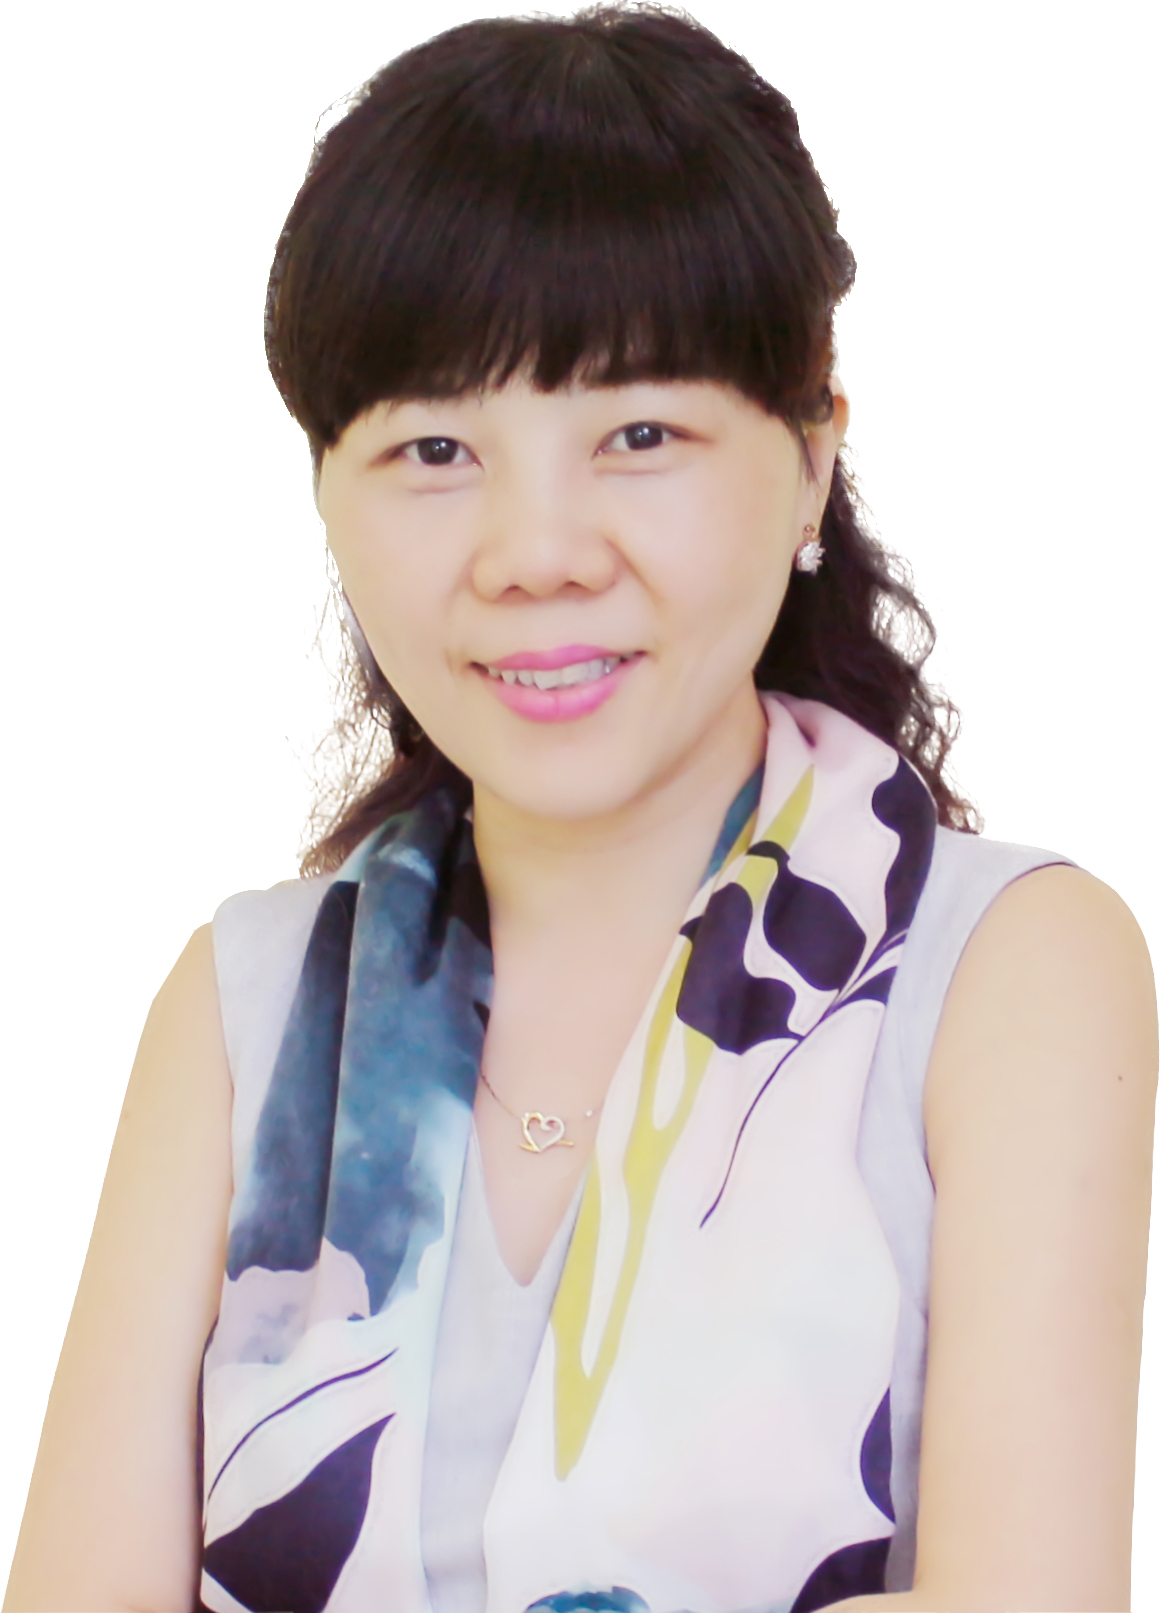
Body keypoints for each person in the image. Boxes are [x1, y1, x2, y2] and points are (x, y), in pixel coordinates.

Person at [5, 6, 1156, 1611]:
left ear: (814, 453)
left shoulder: (1006, 971)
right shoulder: (247, 1008)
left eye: (639, 434)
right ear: (325, 496)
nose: (535, 553)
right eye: (434, 448)